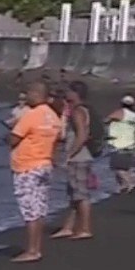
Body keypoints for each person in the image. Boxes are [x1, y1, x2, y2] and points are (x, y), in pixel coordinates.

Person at [6, 81, 63, 262]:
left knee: (30, 210)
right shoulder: (53, 116)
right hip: (45, 164)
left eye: (29, 93)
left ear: (37, 94)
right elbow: (57, 140)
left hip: (27, 167)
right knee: (39, 209)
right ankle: (36, 248)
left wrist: (8, 136)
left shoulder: (31, 115)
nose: (26, 97)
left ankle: (32, 250)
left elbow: (13, 139)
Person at [53, 80, 95, 239]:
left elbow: (82, 136)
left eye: (69, 91)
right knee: (73, 194)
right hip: (80, 157)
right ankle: (68, 227)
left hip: (79, 158)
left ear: (75, 93)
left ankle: (85, 229)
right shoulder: (78, 110)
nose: (66, 94)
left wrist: (69, 154)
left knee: (81, 195)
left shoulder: (78, 111)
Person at [104, 94, 135, 193]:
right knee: (125, 167)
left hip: (118, 143)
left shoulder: (121, 112)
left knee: (117, 167)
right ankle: (123, 185)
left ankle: (130, 183)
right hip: (129, 142)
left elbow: (107, 119)